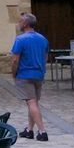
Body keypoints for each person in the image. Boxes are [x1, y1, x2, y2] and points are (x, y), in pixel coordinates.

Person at [11, 11, 50, 140]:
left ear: (26, 24)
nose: (19, 23)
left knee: (31, 102)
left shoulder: (20, 39)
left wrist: (14, 72)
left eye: (20, 21)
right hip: (38, 74)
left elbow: (15, 59)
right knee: (33, 102)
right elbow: (45, 57)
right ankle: (29, 129)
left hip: (25, 74)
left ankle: (42, 131)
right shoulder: (43, 39)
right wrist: (42, 70)